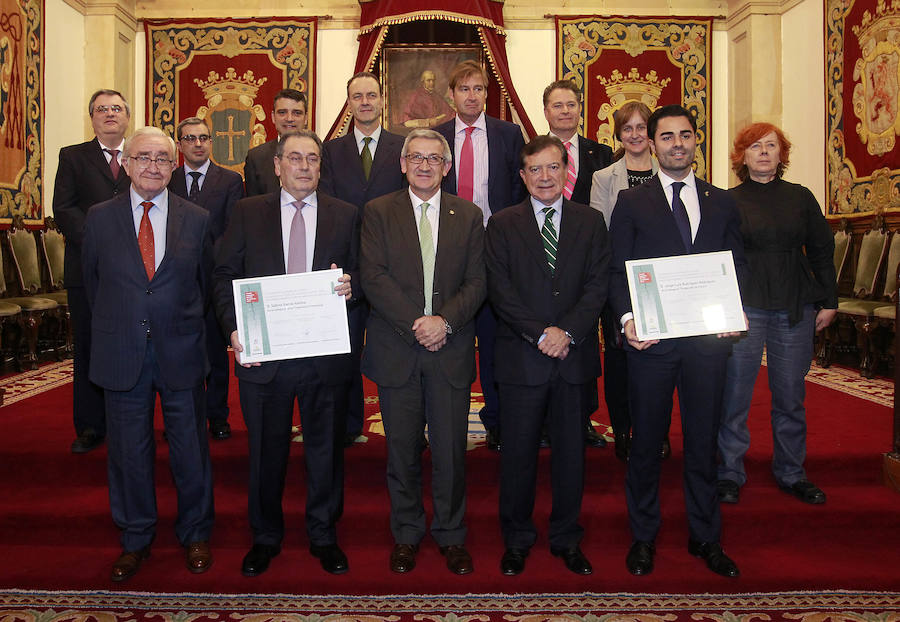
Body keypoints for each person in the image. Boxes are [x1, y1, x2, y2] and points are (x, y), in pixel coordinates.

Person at [609, 104, 746, 578]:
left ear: (696, 140)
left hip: (708, 344)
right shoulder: (632, 201)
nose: (677, 144)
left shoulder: (722, 201)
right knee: (646, 443)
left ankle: (706, 536)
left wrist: (734, 309)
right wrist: (628, 318)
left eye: (685, 135)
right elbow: (616, 269)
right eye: (667, 137)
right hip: (652, 344)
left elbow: (737, 266)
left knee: (702, 441)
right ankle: (643, 537)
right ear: (650, 142)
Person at [214, 129, 358, 578]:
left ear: (321, 166)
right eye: (293, 158)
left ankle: (323, 534)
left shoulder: (345, 215)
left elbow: (364, 277)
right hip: (265, 358)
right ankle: (265, 537)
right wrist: (234, 329)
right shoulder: (246, 212)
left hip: (323, 357)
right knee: (265, 451)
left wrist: (352, 288)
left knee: (325, 451)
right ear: (276, 165)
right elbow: (223, 275)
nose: (303, 166)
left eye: (311, 159)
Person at [82, 126, 215, 582]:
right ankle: (135, 538)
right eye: (143, 158)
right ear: (126, 164)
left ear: (175, 164)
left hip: (181, 349)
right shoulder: (98, 218)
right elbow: (91, 285)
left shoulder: (196, 218)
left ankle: (195, 532)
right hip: (122, 352)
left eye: (162, 158)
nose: (153, 166)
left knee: (190, 449)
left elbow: (206, 284)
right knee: (128, 452)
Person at [361, 129, 486, 576]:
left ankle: (451, 535)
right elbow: (372, 277)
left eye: (434, 159)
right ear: (402, 163)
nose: (424, 165)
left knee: (452, 451)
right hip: (398, 348)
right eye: (415, 157)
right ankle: (407, 533)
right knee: (402, 449)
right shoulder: (378, 212)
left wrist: (444, 323)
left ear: (447, 167)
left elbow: (477, 282)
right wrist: (418, 323)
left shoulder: (468, 215)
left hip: (448, 349)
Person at [485, 135, 609, 577]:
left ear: (566, 170)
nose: (544, 177)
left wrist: (569, 332)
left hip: (572, 359)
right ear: (522, 176)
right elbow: (500, 291)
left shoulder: (590, 222)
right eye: (534, 169)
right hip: (523, 358)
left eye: (552, 167)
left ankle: (566, 538)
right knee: (517, 457)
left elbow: (598, 286)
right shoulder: (502, 224)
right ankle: (516, 540)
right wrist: (542, 334)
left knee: (571, 456)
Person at [716, 123, 837, 506]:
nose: (764, 152)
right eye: (755, 146)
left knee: (790, 395)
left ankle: (791, 471)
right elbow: (720, 258)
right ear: (742, 156)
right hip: (745, 306)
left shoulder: (801, 198)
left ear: (782, 154)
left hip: (794, 303)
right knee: (734, 395)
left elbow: (821, 250)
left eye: (771, 146)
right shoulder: (727, 201)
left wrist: (829, 300)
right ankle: (729, 472)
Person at [434, 60, 526, 451]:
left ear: (488, 95)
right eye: (464, 89)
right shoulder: (435, 136)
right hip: (447, 250)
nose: (472, 96)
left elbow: (521, 192)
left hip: (496, 248)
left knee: (494, 340)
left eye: (479, 89)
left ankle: (498, 420)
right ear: (451, 95)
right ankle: (439, 420)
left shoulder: (508, 135)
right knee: (448, 335)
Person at [320, 71, 405, 447]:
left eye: (372, 95)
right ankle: (349, 422)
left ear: (382, 100)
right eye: (358, 97)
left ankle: (401, 425)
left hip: (393, 265)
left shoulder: (403, 147)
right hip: (347, 265)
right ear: (349, 102)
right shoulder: (330, 150)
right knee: (346, 348)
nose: (366, 102)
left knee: (395, 350)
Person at [53, 89, 131, 454]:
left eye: (116, 108)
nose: (110, 114)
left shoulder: (141, 155)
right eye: (102, 109)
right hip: (86, 270)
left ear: (127, 117)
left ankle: (128, 422)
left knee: (129, 346)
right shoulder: (72, 157)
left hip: (134, 272)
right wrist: (99, 243)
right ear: (93, 118)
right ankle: (89, 426)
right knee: (87, 347)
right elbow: (64, 208)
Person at [589, 101, 661, 461]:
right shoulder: (604, 178)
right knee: (619, 359)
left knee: (660, 359)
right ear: (618, 134)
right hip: (619, 280)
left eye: (642, 127)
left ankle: (655, 432)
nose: (635, 135)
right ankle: (622, 431)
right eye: (628, 128)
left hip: (662, 282)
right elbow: (600, 233)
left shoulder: (670, 172)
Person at [544, 79, 613, 449]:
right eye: (558, 105)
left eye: (571, 104)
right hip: (543, 257)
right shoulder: (531, 152)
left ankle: (584, 416)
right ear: (546, 112)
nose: (565, 111)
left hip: (586, 261)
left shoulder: (600, 154)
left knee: (583, 340)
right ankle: (541, 416)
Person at [168, 116, 244, 440]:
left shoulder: (229, 181)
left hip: (214, 279)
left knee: (215, 354)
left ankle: (217, 416)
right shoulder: (167, 181)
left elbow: (232, 230)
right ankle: (185, 417)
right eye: (190, 138)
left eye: (203, 138)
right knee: (179, 353)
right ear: (180, 145)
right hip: (175, 280)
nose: (198, 144)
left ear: (211, 142)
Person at [243, 89, 307, 197]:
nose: (289, 118)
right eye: (282, 112)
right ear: (273, 117)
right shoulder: (256, 158)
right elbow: (252, 206)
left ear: (306, 118)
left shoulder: (322, 155)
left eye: (297, 113)